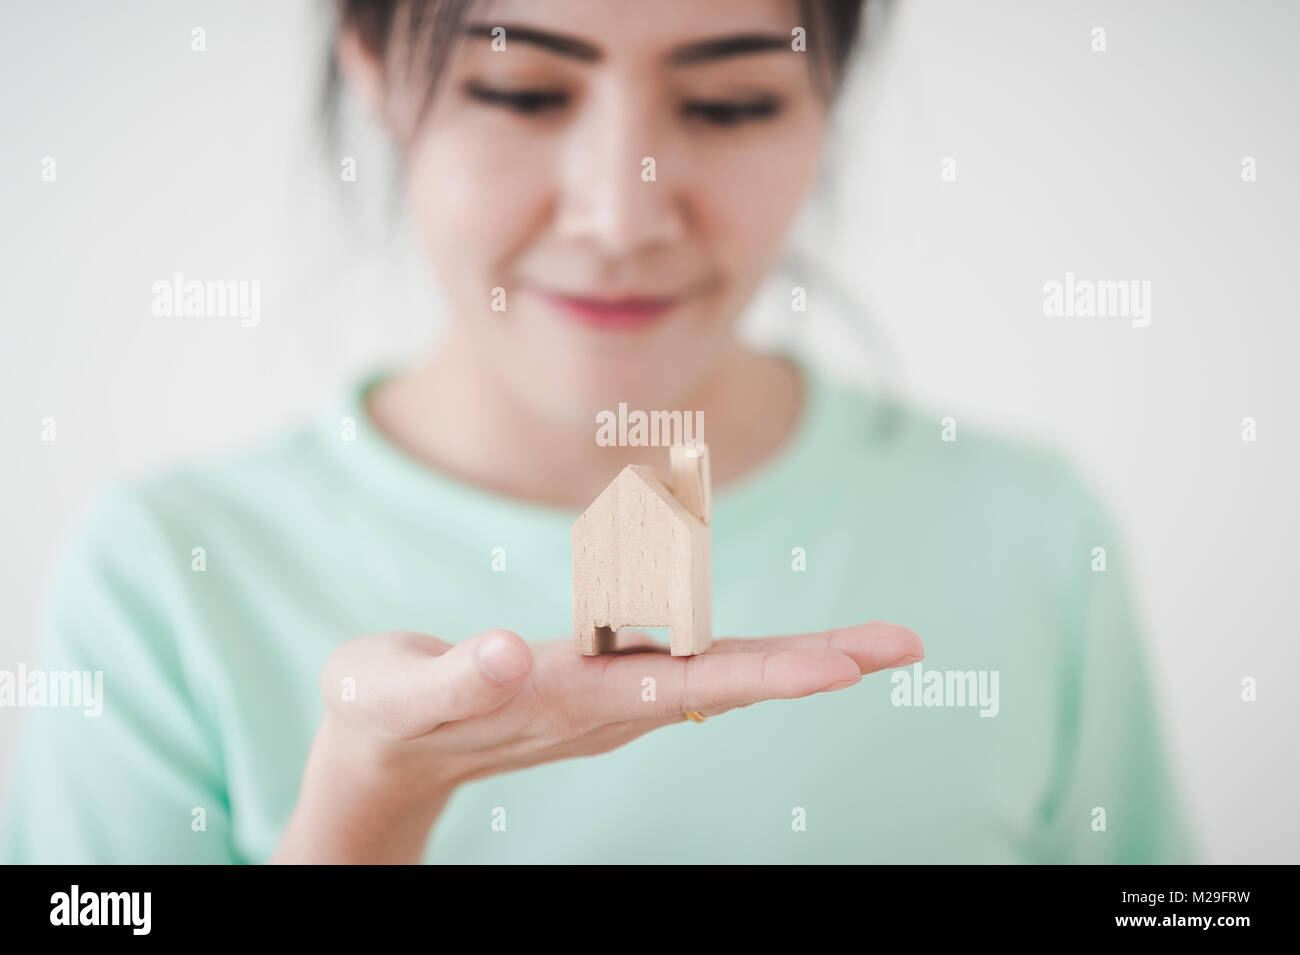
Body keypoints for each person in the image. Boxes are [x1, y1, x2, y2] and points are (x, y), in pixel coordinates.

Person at [0, 0, 1195, 864]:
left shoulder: (1029, 530)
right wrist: (367, 806)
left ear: (825, 99)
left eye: (728, 102)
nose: (620, 215)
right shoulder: (164, 574)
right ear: (374, 68)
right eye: (519, 91)